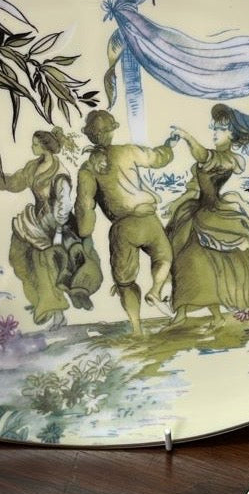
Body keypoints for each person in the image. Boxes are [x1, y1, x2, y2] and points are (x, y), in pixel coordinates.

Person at [0, 128, 102, 330]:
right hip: (38, 221)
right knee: (21, 258)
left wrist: (57, 231)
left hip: (58, 225)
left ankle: (56, 311)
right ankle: (41, 301)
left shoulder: (60, 174)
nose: (32, 147)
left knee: (47, 265)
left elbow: (64, 205)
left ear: (45, 147)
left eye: (35, 144)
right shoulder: (34, 166)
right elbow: (15, 182)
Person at [166, 104, 249, 328]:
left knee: (205, 265)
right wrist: (175, 204)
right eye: (215, 127)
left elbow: (203, 155)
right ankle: (182, 312)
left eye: (221, 129)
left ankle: (211, 315)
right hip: (194, 212)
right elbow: (195, 187)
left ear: (233, 135)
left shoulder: (229, 159)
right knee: (183, 261)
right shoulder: (213, 157)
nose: (215, 132)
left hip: (214, 213)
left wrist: (186, 136)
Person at [75, 110, 176, 336]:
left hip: (122, 229)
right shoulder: (128, 151)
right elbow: (158, 158)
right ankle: (156, 290)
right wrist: (169, 145)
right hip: (147, 220)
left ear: (90, 135)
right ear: (112, 131)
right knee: (164, 258)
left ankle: (137, 328)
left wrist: (84, 231)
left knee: (125, 282)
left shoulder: (87, 170)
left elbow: (84, 206)